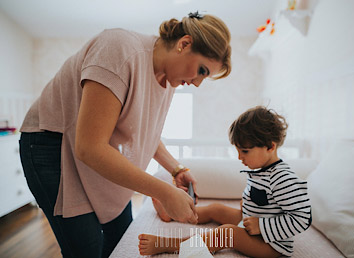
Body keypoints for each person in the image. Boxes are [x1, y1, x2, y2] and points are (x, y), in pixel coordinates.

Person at [18, 11, 231, 257]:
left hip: (90, 149)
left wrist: (176, 169)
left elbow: (144, 133)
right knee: (87, 250)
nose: (196, 83)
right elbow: (89, 147)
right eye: (202, 70)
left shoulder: (169, 78)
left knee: (120, 239)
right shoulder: (119, 49)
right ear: (184, 44)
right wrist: (162, 191)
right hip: (52, 145)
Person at [139, 106, 311, 257]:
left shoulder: (284, 178)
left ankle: (168, 244)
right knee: (216, 209)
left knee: (228, 233)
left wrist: (262, 225)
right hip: (251, 222)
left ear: (270, 147)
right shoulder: (262, 170)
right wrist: (250, 206)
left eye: (245, 151)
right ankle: (172, 214)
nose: (239, 157)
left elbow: (302, 218)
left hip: (270, 244)